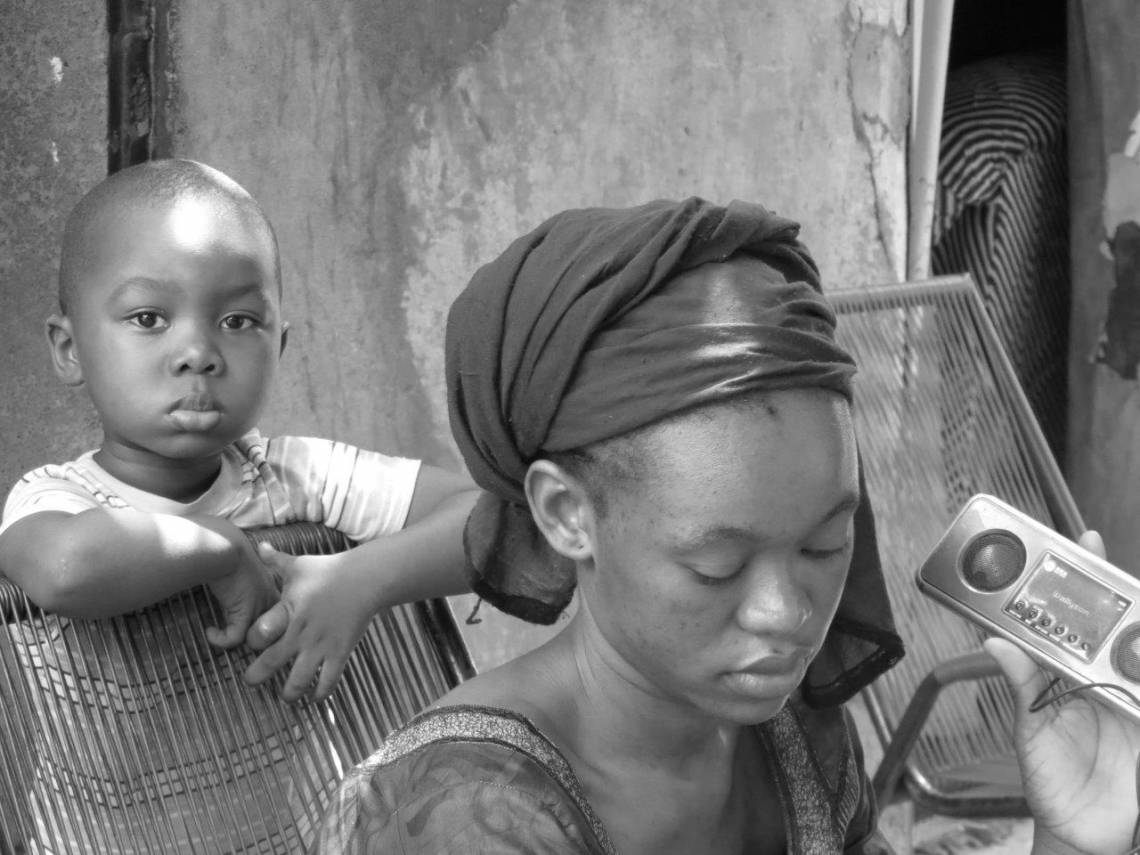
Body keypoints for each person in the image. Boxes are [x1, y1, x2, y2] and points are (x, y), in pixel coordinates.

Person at [315, 198, 1140, 855]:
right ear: (568, 514)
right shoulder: (464, 818)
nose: (787, 615)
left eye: (824, 545)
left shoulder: (792, 734)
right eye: (717, 565)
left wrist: (1075, 834)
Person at [0, 158, 478, 853]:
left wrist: (358, 582)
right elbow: (67, 568)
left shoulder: (289, 474)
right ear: (69, 348)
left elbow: (486, 516)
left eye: (237, 319)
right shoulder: (55, 497)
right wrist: (221, 547)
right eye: (148, 317)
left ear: (280, 344)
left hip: (299, 836)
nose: (197, 351)